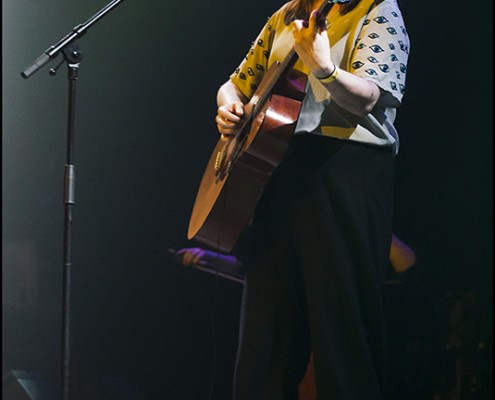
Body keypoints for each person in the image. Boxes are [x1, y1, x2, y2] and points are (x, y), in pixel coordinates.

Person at [211, 0, 410, 399]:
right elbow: (236, 82)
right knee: (265, 341)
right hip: (278, 170)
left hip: (345, 169)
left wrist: (325, 70)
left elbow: (369, 97)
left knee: (343, 335)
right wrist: (228, 107)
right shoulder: (286, 14)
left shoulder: (377, 10)